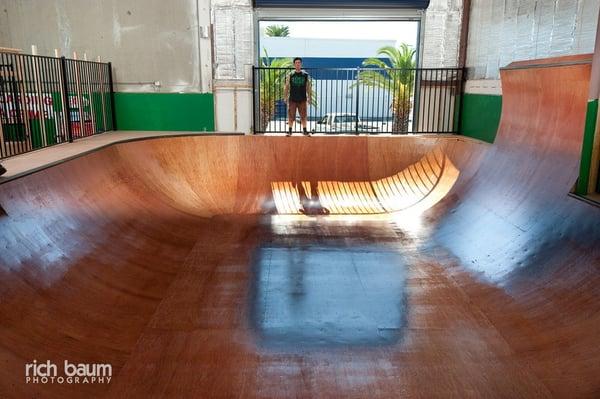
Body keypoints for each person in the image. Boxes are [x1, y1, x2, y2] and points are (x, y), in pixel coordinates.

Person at [284, 57, 312, 136]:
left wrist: (309, 97)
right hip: (292, 99)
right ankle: (290, 131)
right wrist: (285, 96)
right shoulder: (290, 75)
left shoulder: (305, 75)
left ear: (301, 64)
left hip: (302, 99)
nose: (298, 64)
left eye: (299, 62)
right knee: (291, 115)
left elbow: (308, 87)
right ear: (294, 64)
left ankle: (305, 130)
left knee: (303, 115)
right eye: (296, 63)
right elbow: (286, 86)